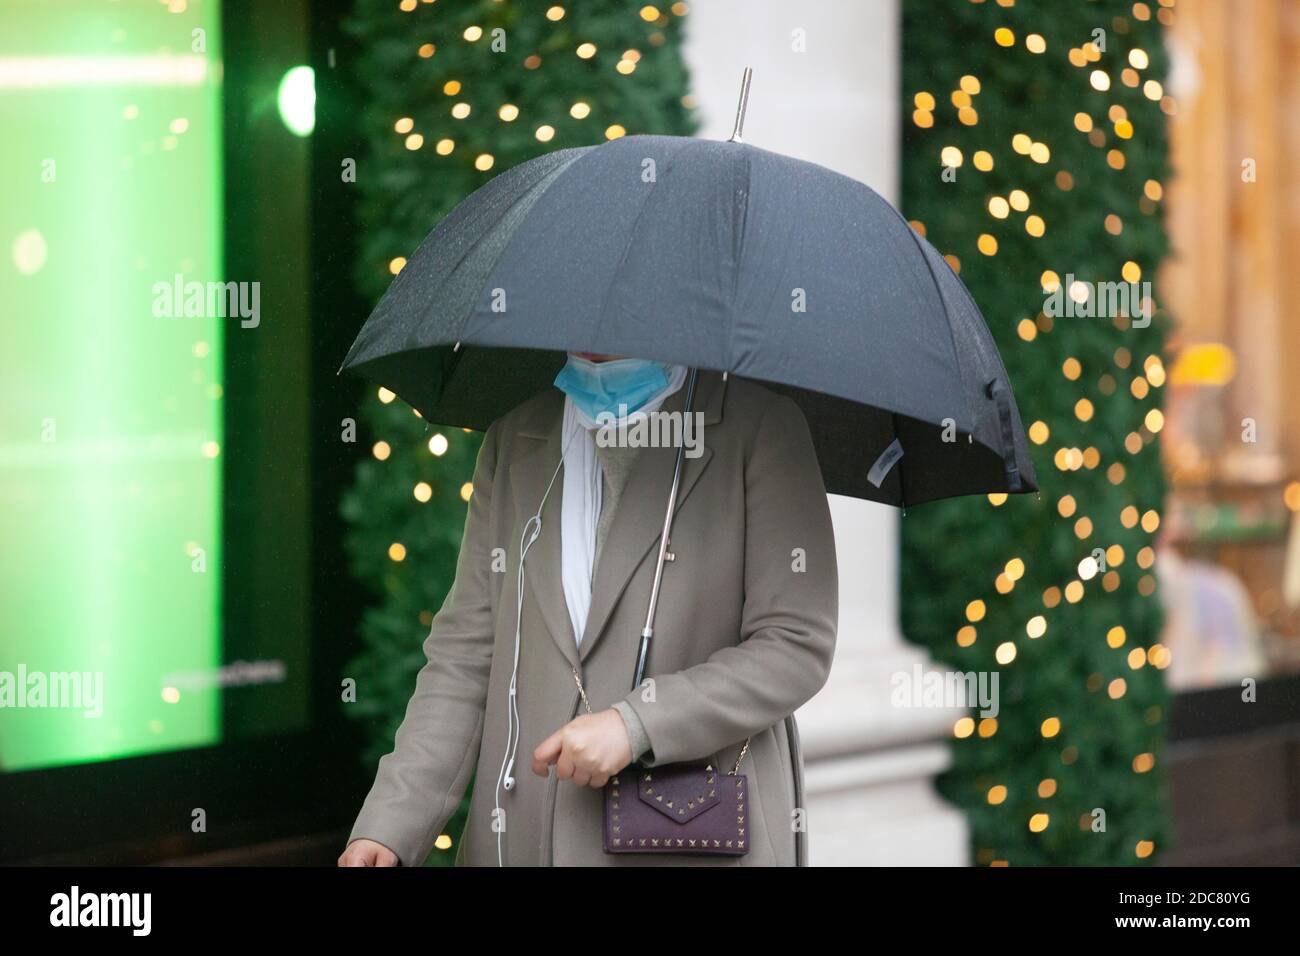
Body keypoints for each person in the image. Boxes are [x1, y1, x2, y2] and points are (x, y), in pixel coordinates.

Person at [338, 352, 837, 866]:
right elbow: (465, 657)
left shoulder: (760, 427)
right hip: (517, 843)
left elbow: (795, 644)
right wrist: (391, 825)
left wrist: (637, 724)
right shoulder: (514, 435)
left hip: (687, 837)